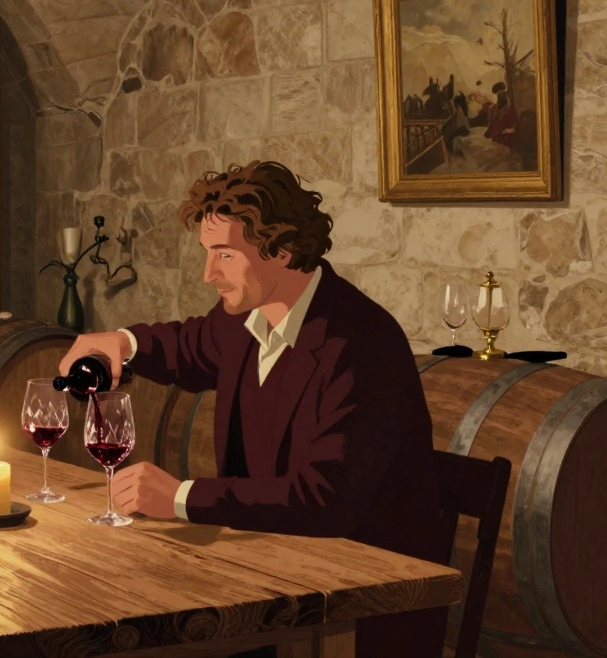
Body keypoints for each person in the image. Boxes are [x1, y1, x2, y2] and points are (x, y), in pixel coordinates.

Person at [58, 161, 448, 658]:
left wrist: (180, 498)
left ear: (281, 250)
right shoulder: (248, 316)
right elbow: (186, 345)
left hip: (359, 613)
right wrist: (119, 341)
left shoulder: (359, 343)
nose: (208, 273)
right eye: (207, 253)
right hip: (272, 578)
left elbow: (324, 500)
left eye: (225, 254)